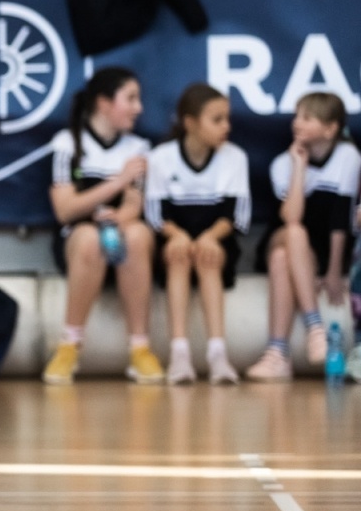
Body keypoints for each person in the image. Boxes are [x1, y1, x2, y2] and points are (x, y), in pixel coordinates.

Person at [41, 67, 163, 385]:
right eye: (131, 99)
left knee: (137, 235)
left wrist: (119, 217)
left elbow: (134, 205)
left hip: (120, 235)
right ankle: (69, 344)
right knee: (88, 239)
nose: (139, 108)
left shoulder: (138, 147)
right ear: (104, 103)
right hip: (79, 238)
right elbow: (65, 210)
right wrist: (115, 183)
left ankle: (140, 349)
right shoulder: (67, 143)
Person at [246, 92, 360, 381]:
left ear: (330, 128)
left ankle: (277, 354)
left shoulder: (348, 156)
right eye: (296, 116)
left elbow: (340, 218)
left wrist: (335, 271)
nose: (297, 123)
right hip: (283, 235)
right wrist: (298, 166)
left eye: (306, 118)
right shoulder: (282, 164)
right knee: (293, 234)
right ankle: (315, 327)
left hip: (317, 250)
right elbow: (291, 217)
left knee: (282, 259)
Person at [144, 84, 250, 385]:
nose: (225, 127)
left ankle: (218, 354)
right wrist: (176, 235)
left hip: (215, 241)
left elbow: (236, 215)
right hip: (175, 241)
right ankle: (180, 354)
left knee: (208, 256)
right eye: (216, 120)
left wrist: (211, 237)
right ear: (190, 123)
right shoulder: (161, 158)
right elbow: (154, 214)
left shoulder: (235, 158)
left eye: (227, 119)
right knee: (177, 256)